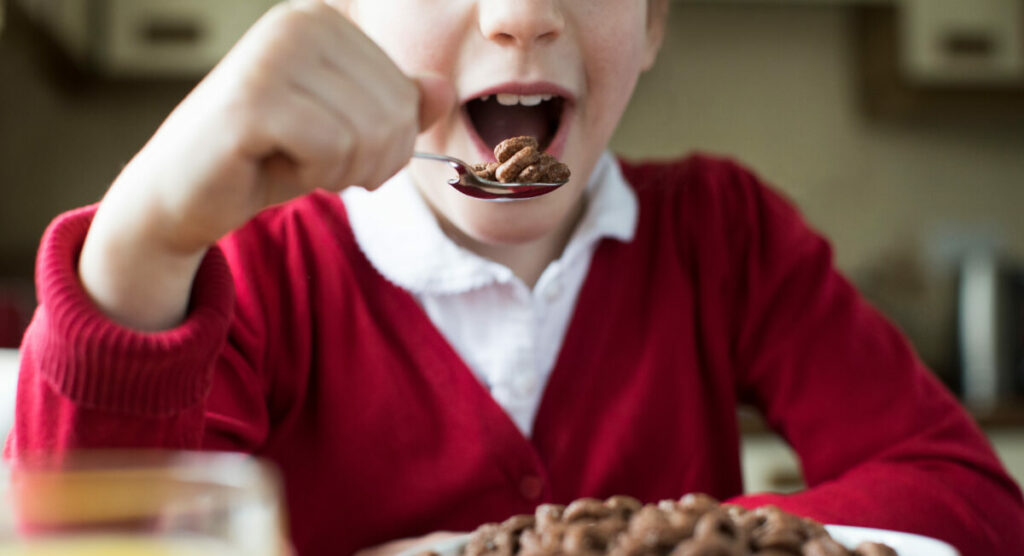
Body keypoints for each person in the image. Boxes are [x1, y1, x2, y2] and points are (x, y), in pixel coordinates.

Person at [7, 0, 1024, 555]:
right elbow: (89, 533)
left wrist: (677, 546)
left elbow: (969, 498)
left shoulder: (725, 235)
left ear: (653, 21)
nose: (521, 14)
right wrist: (147, 238)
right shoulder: (254, 267)